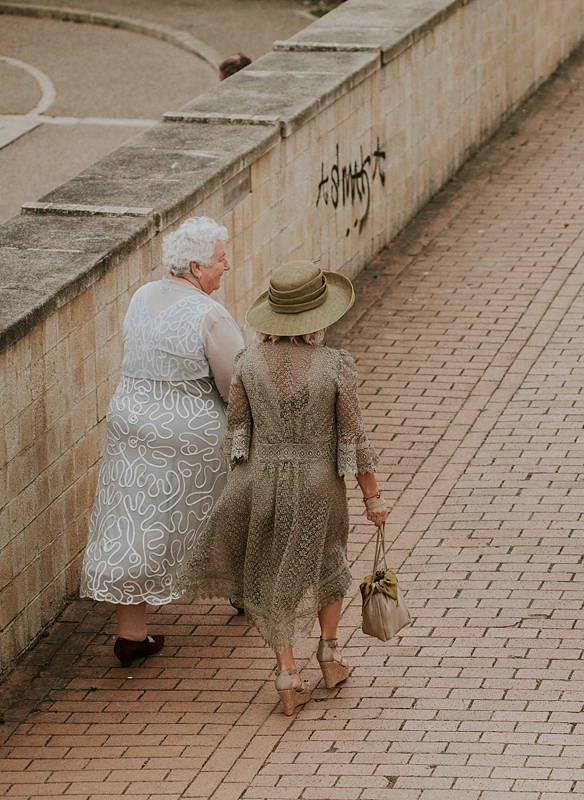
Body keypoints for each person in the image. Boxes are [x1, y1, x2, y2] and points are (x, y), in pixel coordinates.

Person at [181, 261, 387, 716]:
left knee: (273, 574)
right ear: (318, 315)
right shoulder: (335, 364)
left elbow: (237, 434)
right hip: (318, 483)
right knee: (328, 562)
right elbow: (353, 437)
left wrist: (239, 489)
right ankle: (330, 654)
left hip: (260, 481)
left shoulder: (247, 362)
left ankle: (287, 675)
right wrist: (372, 496)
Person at [80, 217, 244, 667]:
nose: (225, 265)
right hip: (189, 433)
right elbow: (235, 384)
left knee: (134, 518)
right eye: (219, 259)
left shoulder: (142, 295)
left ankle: (131, 634)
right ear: (195, 266)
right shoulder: (210, 315)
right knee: (226, 506)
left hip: (130, 422)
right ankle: (243, 590)